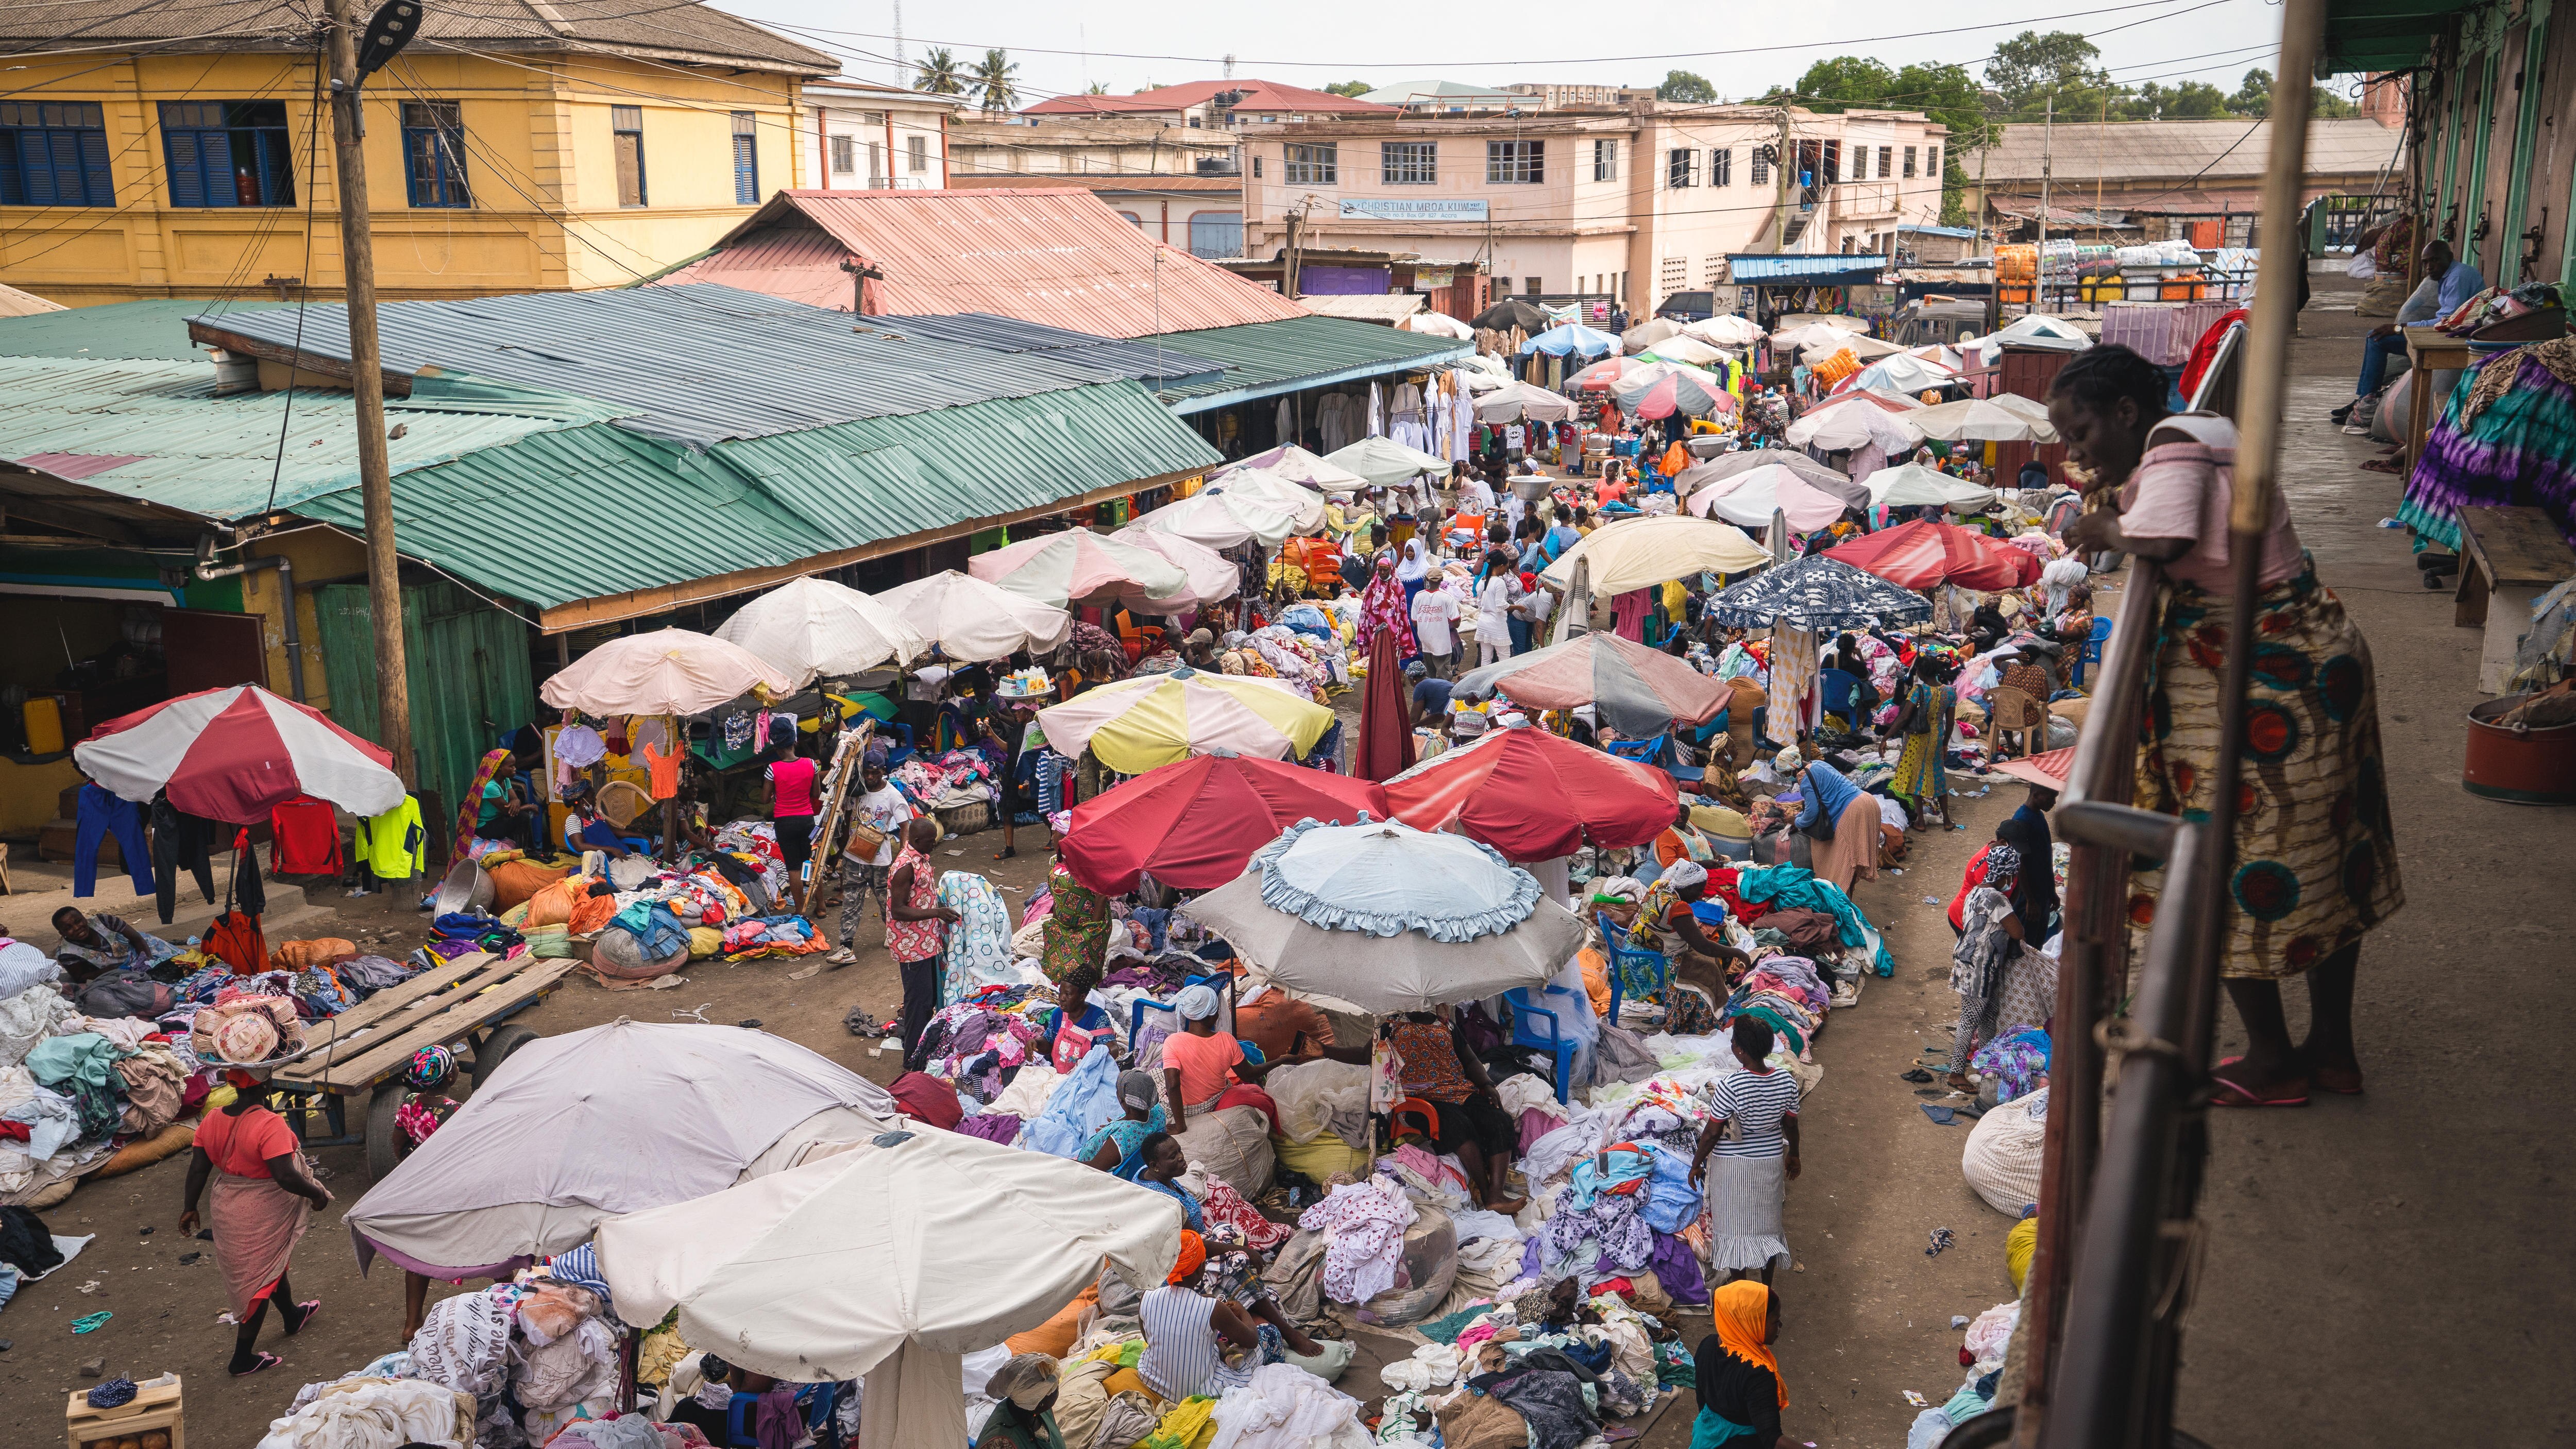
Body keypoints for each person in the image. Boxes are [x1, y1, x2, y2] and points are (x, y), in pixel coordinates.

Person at [2055, 342, 2401, 1106]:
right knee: (2324, 854)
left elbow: (2168, 540)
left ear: (2125, 412)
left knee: (2224, 860)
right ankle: (2332, 1048)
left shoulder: (2174, 449)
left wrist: (2103, 532)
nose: (2075, 454)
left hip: (2268, 681)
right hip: (2310, 657)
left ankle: (2274, 1057)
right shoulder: (2202, 431)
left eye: (2080, 434)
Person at [179, 1070, 330, 1375]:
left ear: (232, 1083)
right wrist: (317, 1195)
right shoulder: (270, 1124)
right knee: (257, 1283)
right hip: (261, 1209)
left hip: (227, 1204)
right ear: (267, 1084)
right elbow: (285, 1176)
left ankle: (292, 1315)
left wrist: (190, 1207)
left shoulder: (212, 1119)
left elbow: (198, 1169)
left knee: (268, 1267)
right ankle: (242, 1358)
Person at [1326, 1006, 1525, 1212]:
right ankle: (1485, 1194)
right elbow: (1363, 1054)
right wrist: (1324, 1050)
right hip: (1415, 1098)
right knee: (1459, 1125)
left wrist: (1487, 1084)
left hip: (1456, 1091)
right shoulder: (1393, 1026)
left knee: (1500, 1119)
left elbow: (1470, 1059)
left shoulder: (1446, 1025)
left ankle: (1496, 1193)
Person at [1137, 1226, 1319, 1402]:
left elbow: (1149, 1338)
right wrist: (1241, 1311)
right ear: (1201, 1270)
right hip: (1199, 1392)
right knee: (1271, 1333)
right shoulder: (1213, 1308)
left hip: (1153, 1381)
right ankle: (1273, 1376)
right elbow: (1252, 1340)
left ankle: (1224, 1353)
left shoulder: (1148, 1296)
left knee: (1209, 1337)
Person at [1688, 1018, 1802, 1286]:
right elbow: (1791, 1123)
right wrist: (1794, 1154)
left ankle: (1742, 1289)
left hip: (1733, 1168)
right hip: (1770, 1162)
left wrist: (1696, 1163)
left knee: (1735, 1230)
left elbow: (1712, 1133)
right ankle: (1765, 1290)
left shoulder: (1730, 1086)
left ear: (1740, 1050)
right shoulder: (1786, 1080)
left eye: (1734, 1042)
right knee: (1767, 1228)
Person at [2337, 236, 2485, 426]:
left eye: (2435, 260)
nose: (2430, 267)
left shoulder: (2457, 277)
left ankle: (2366, 402)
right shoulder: (2449, 275)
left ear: (2450, 257)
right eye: (2425, 263)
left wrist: (2401, 327)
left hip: (2457, 338)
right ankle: (2364, 401)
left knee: (2378, 340)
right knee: (2375, 337)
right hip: (2450, 332)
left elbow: (2447, 322)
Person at [1944, 843, 2032, 1092]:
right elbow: (2017, 931)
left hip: (1975, 962)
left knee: (1989, 1013)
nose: (2012, 880)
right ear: (2005, 874)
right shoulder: (1997, 899)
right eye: (2012, 875)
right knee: (1969, 1018)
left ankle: (1987, 1064)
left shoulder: (1975, 892)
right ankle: (1956, 1073)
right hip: (1979, 966)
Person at [1159, 983, 1285, 1132]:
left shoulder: (1173, 1042)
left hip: (1186, 1110)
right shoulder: (1227, 1040)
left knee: (1155, 1075)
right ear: (1214, 1015)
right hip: (1217, 1100)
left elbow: (1173, 1085)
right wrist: (1281, 1060)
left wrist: (1180, 1126)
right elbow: (1249, 1074)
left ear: (1188, 1014)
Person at [1690, 1282, 1803, 1448]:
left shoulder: (1708, 1344)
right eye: (1776, 1321)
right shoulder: (1759, 1374)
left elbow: (1701, 1397)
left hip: (1706, 1437)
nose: (1780, 1326)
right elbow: (1771, 1438)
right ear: (1751, 1321)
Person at [885, 818, 958, 1071]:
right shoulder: (905, 867)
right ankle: (912, 1061)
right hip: (912, 947)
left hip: (925, 942)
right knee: (918, 1004)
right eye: (930, 841)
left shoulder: (920, 858)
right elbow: (898, 910)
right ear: (916, 841)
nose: (934, 845)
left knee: (928, 1001)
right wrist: (936, 913)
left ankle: (923, 1051)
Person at [833, 760, 914, 965]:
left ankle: (894, 932)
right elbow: (846, 815)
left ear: (883, 772)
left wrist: (905, 856)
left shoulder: (893, 795)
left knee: (886, 900)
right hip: (853, 857)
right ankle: (846, 946)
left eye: (874, 773)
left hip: (880, 860)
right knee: (851, 901)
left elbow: (905, 825)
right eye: (867, 773)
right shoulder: (857, 790)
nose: (870, 778)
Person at [1776, 747, 1878, 893]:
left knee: (1843, 864)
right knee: (1851, 863)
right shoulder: (1817, 764)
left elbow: (1812, 814)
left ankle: (1841, 904)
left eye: (1786, 773)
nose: (1788, 777)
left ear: (1792, 767)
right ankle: (1847, 902)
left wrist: (1796, 822)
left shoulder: (1805, 777)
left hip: (1853, 810)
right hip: (1867, 802)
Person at [1888, 655, 1955, 829]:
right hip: (1936, 737)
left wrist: (1887, 737)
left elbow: (1904, 717)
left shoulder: (1919, 690)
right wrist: (1945, 742)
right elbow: (1951, 722)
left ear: (1922, 672)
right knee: (1938, 776)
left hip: (1916, 739)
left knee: (1915, 776)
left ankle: (1921, 821)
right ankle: (1947, 820)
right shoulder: (1950, 692)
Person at [1080, 1069, 1170, 1178]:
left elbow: (1093, 1169)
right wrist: (1113, 1129)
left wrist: (1066, 1162)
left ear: (1122, 1100)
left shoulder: (1120, 1138)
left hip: (1093, 1170)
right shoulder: (1157, 1110)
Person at [50, 906, 178, 975]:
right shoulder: (66, 954)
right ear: (62, 933)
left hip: (143, 949)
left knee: (180, 964)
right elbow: (81, 978)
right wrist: (109, 972)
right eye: (68, 928)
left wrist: (149, 964)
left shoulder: (104, 921)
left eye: (78, 921)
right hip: (117, 972)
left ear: (84, 918)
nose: (77, 928)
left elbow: (137, 939)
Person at [977, 1354, 1066, 1449]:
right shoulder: (1002, 1443)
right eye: (1055, 1390)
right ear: (1039, 1401)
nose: (1058, 1391)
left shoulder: (1037, 1410)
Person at [1410, 577, 1462, 677]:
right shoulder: (1447, 597)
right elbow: (1456, 623)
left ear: (1426, 579)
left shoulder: (1418, 596)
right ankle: (1442, 692)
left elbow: (1415, 622)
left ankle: (1431, 692)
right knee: (1444, 674)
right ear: (1441, 579)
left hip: (1426, 642)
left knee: (1430, 673)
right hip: (1442, 644)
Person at [1473, 551, 1518, 667]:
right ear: (1501, 566)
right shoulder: (1499, 582)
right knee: (1504, 658)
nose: (1506, 571)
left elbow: (1479, 602)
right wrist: (1518, 607)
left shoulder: (1483, 581)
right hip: (1496, 624)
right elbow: (1500, 605)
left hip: (1483, 622)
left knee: (1486, 658)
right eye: (1507, 567)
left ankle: (1484, 681)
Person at [1405, 658, 1454, 727]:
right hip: (1461, 707)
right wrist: (1415, 726)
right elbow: (1439, 716)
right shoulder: (1435, 683)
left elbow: (1414, 718)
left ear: (1414, 679)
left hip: (1456, 710)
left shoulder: (1420, 687)